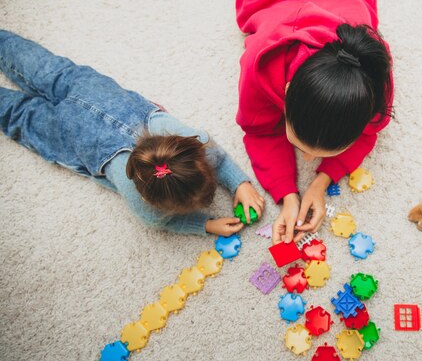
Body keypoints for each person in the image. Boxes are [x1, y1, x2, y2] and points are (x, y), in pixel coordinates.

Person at [0, 30, 264, 236]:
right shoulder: (146, 207)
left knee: (41, 67)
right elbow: (162, 223)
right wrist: (206, 224)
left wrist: (239, 183)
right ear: (148, 198)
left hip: (89, 88)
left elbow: (213, 154)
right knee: (19, 115)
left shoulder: (192, 139)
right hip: (68, 135)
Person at [231, 0, 394, 244]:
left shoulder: (372, 73)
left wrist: (319, 183)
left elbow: (369, 133)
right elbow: (258, 130)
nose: (307, 159)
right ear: (285, 90)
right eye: (304, 148)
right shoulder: (260, 62)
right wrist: (286, 192)